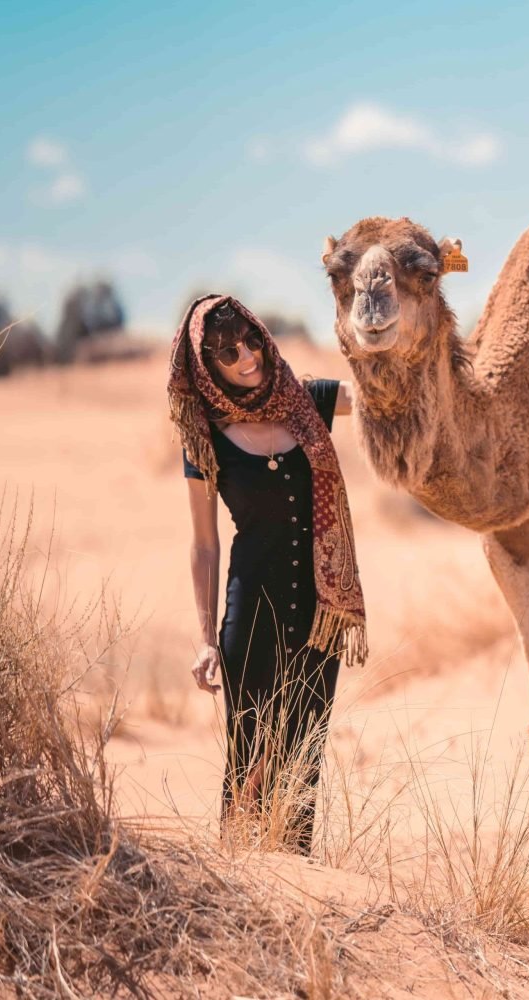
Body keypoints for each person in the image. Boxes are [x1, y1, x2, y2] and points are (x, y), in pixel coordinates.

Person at [167, 294, 367, 854]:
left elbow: (379, 395)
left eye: (252, 340)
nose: (247, 357)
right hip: (251, 618)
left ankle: (298, 892)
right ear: (206, 365)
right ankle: (243, 893)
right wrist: (205, 638)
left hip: (319, 618)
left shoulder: (309, 402)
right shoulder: (202, 436)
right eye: (228, 352)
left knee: (303, 763)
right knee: (248, 761)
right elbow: (204, 543)